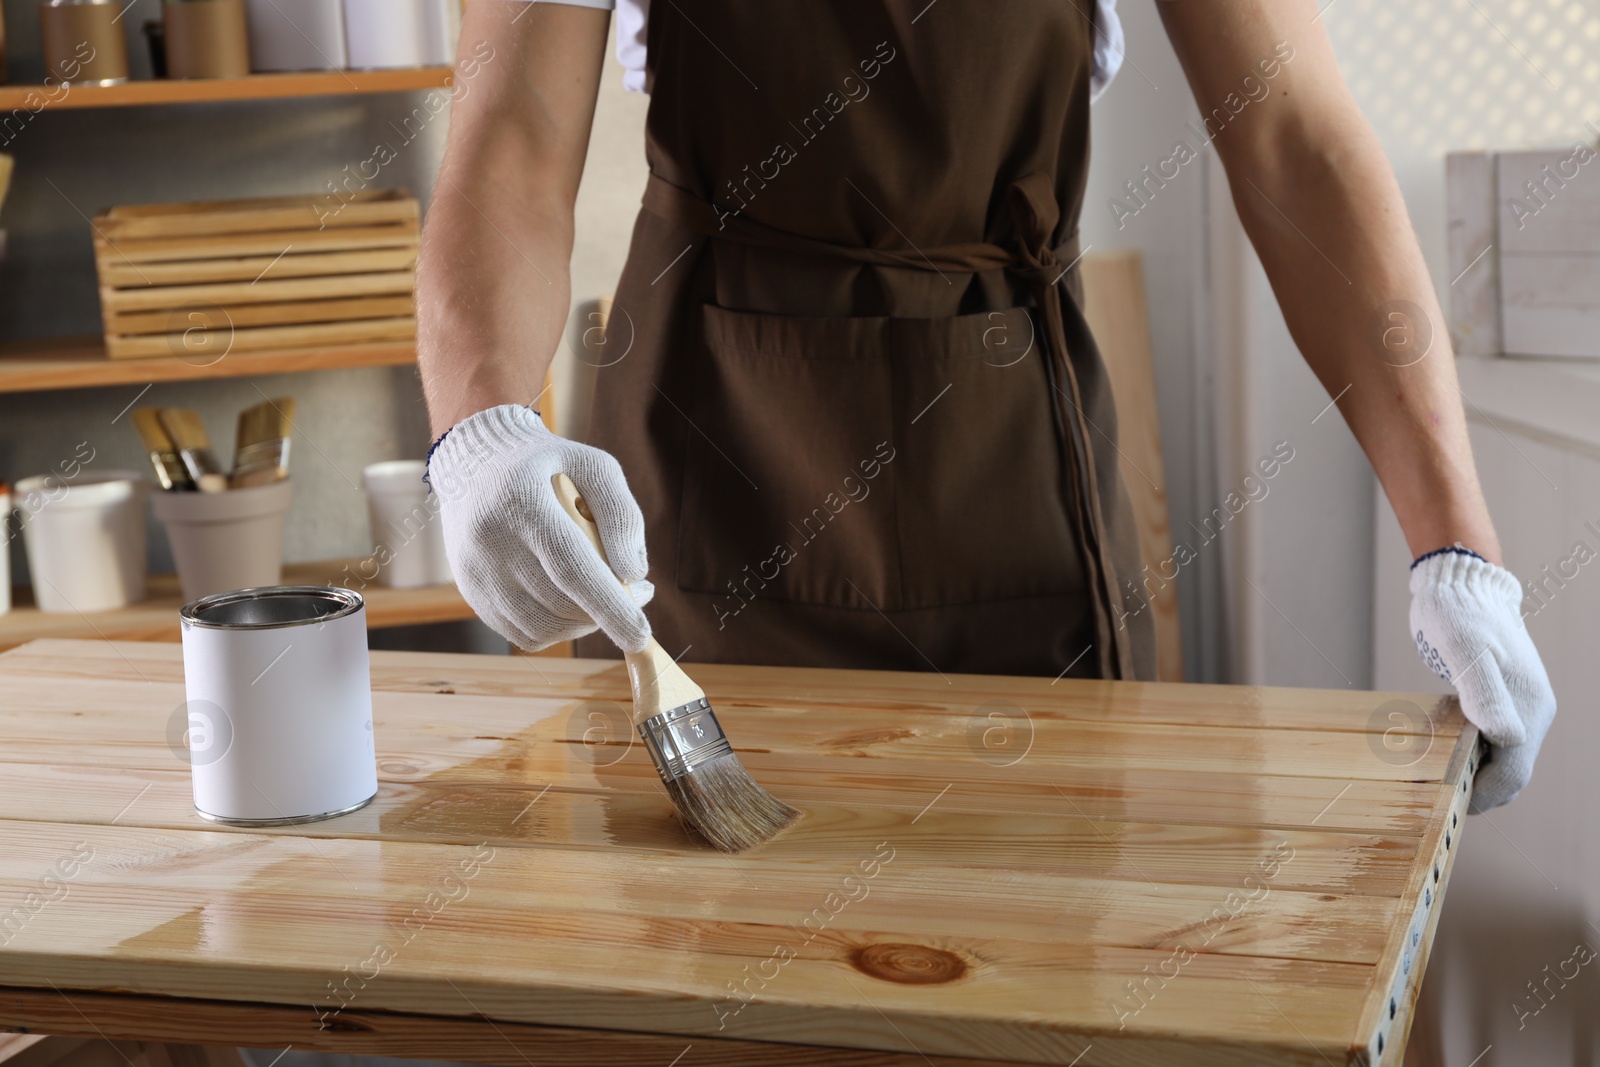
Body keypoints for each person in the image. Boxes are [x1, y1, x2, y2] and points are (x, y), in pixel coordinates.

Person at [418, 0, 1554, 810]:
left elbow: (1292, 136)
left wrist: (1455, 546)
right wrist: (476, 421)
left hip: (1020, 496)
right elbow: (510, 131)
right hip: (705, 484)